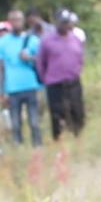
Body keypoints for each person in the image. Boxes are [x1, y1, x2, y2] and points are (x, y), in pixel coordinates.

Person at [0, 10, 43, 147]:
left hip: (30, 85)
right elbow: (1, 67)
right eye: (14, 20)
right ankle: (18, 147)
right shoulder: (2, 43)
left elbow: (42, 61)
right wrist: (1, 91)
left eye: (20, 20)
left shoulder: (32, 40)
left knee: (34, 121)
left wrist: (30, 58)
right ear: (10, 22)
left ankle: (37, 147)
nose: (17, 23)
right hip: (13, 88)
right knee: (15, 122)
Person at [37, 9, 86, 141]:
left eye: (67, 22)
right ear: (56, 23)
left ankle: (78, 139)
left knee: (77, 112)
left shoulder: (76, 39)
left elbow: (81, 58)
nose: (65, 25)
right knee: (57, 115)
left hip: (73, 83)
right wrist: (46, 79)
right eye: (62, 22)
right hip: (55, 85)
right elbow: (41, 63)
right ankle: (59, 143)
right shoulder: (47, 41)